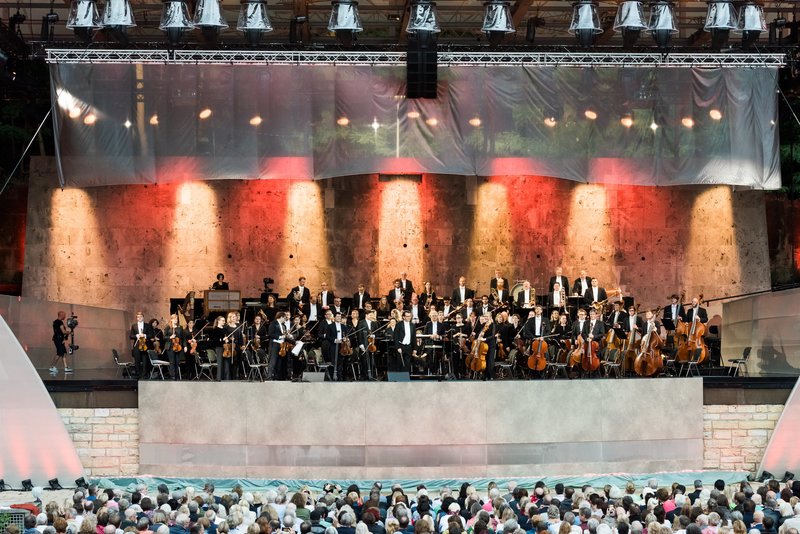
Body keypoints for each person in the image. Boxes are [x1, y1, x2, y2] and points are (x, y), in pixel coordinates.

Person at [129, 311, 153, 378]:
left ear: (143, 317)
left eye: (141, 316)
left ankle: (144, 374)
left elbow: (151, 335)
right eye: (138, 317)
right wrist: (137, 335)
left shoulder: (147, 325)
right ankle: (138, 374)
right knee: (137, 360)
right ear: (136, 318)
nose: (139, 318)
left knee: (145, 359)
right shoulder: (134, 326)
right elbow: (131, 336)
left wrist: (144, 335)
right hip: (137, 345)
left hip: (145, 345)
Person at [268, 312, 291, 380]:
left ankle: (277, 376)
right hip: (275, 344)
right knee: (273, 361)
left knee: (279, 362)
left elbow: (284, 336)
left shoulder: (283, 326)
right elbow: (270, 334)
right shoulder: (273, 323)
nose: (285, 320)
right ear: (281, 317)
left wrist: (288, 336)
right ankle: (269, 376)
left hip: (282, 345)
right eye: (284, 318)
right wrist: (280, 337)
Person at [163, 314, 185, 381]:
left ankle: (176, 375)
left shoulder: (180, 327)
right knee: (172, 362)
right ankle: (172, 376)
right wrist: (170, 337)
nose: (176, 320)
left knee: (177, 362)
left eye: (176, 319)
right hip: (170, 347)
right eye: (174, 319)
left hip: (178, 346)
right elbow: (164, 337)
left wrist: (184, 346)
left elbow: (182, 338)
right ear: (171, 319)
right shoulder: (168, 327)